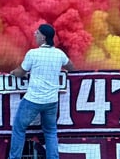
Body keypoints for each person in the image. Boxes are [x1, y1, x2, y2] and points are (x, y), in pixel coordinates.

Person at [8, 24, 73, 159]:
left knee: (19, 128)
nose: (34, 35)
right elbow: (71, 67)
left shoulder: (33, 54)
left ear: (43, 37)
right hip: (51, 102)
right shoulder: (59, 54)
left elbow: (21, 72)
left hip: (33, 100)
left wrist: (13, 72)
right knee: (50, 132)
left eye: (36, 33)